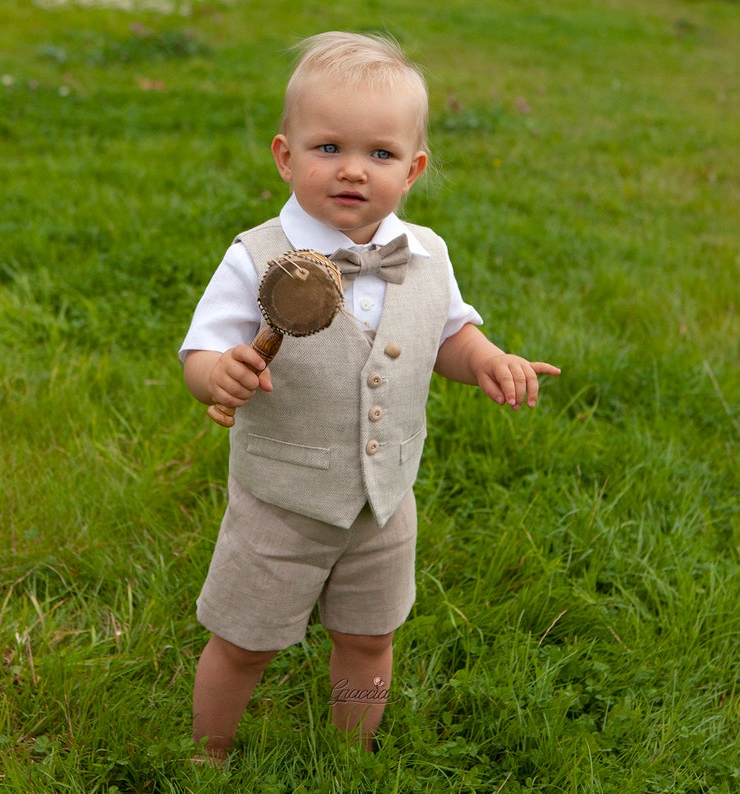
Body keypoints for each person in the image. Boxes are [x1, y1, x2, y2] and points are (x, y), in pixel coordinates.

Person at [180, 30, 560, 763]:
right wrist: (216, 373)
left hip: (383, 502)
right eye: (328, 148)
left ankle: (351, 748)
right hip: (282, 501)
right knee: (244, 641)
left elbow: (447, 333)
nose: (353, 169)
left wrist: (486, 358)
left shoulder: (427, 254)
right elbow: (202, 352)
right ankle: (209, 750)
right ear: (285, 156)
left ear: (413, 169)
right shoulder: (254, 257)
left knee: (369, 637)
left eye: (380, 154)